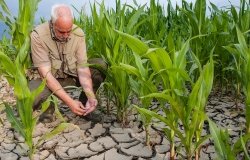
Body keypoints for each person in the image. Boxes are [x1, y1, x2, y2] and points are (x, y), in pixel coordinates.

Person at [29, 4, 106, 122]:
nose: (66, 36)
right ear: (52, 23)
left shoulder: (78, 33)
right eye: (61, 32)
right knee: (31, 92)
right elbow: (46, 75)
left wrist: (90, 95)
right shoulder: (38, 35)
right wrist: (70, 102)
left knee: (100, 65)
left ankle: (85, 107)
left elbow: (83, 68)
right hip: (49, 81)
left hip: (71, 77)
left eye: (68, 31)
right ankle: (48, 110)